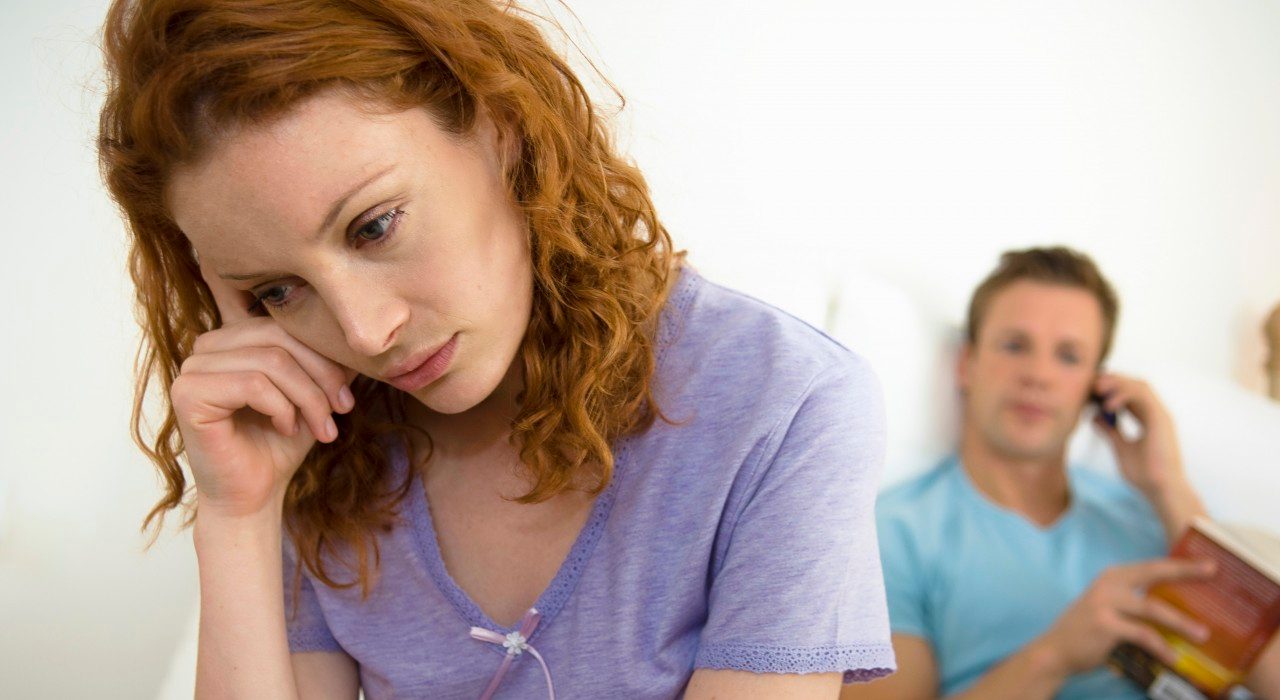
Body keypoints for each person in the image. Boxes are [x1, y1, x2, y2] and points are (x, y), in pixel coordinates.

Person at [96, 0, 896, 697]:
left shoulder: (782, 404)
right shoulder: (321, 439)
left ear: (500, 126)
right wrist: (239, 518)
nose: (365, 333)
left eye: (374, 227)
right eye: (278, 290)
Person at [842, 247, 1280, 700]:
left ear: (1096, 385)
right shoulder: (892, 537)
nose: (1039, 374)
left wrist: (1169, 486)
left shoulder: (1158, 514)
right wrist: (1054, 656)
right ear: (965, 364)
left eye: (1069, 356)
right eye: (1015, 346)